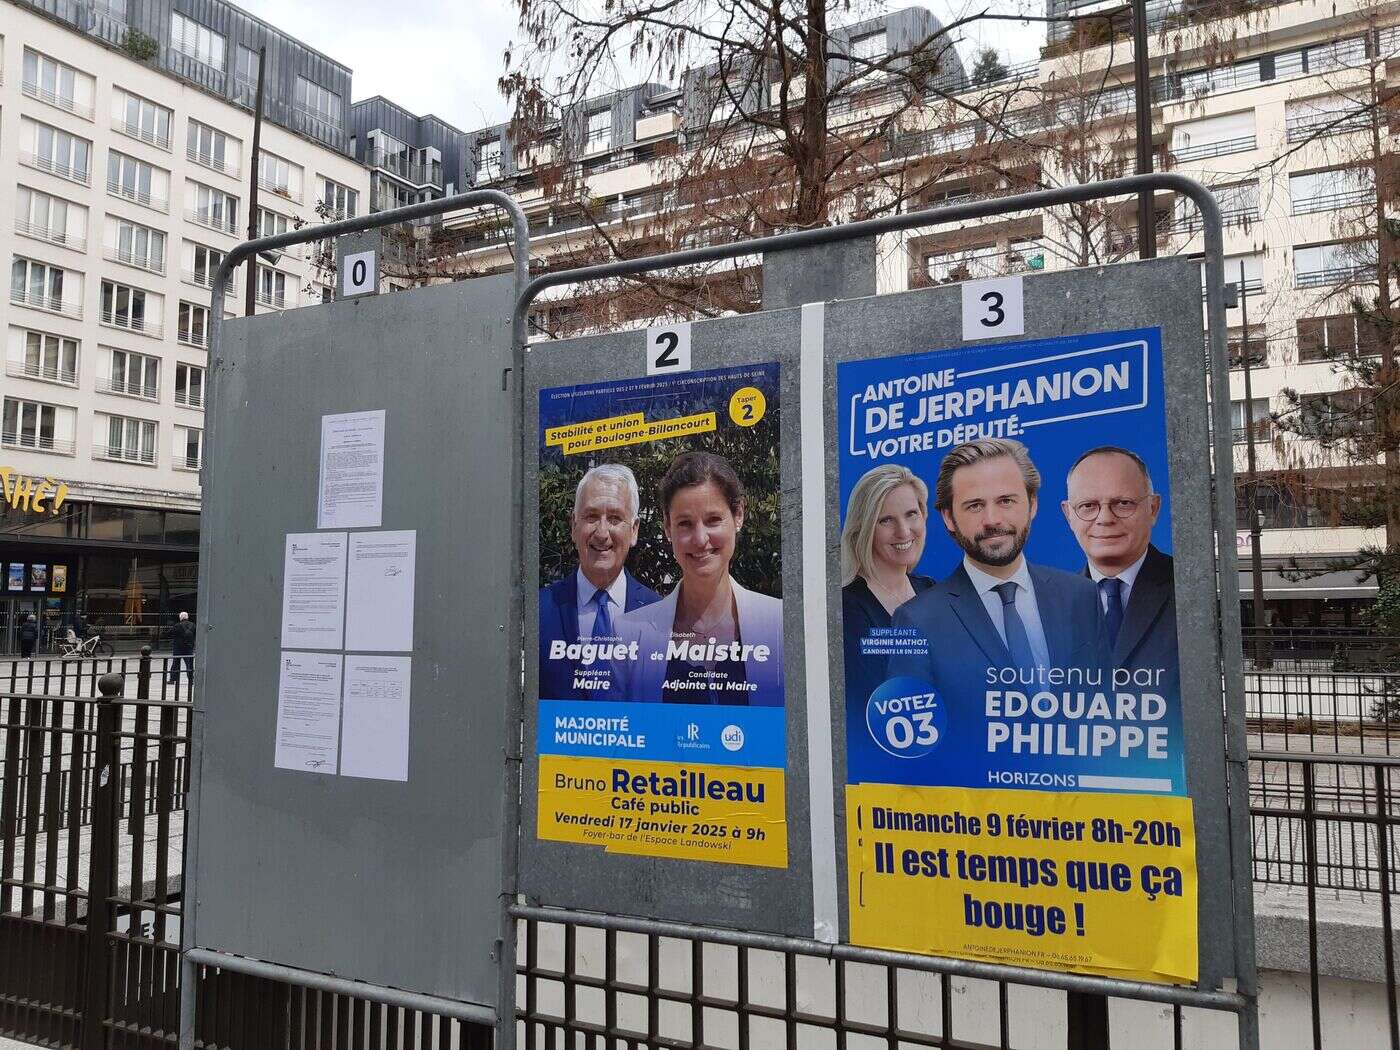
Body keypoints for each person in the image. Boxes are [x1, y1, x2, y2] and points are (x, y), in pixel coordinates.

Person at [889, 438, 1104, 701]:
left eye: (1006, 501)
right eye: (975, 505)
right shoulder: (916, 621)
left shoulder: (1082, 595)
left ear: (1032, 505)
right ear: (948, 517)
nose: (992, 520)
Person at [612, 451, 782, 706]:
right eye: (685, 524)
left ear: (738, 516)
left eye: (713, 520)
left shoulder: (780, 624)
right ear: (668, 528)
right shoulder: (629, 633)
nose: (700, 539)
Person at [539, 464, 661, 700]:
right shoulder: (538, 610)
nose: (602, 532)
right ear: (574, 526)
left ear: (634, 530)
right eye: (591, 517)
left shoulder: (660, 616)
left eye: (615, 519)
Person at [1061, 446, 1176, 676]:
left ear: (1153, 508)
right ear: (1068, 515)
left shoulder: (1189, 587)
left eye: (1123, 503)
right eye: (1088, 506)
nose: (1104, 519)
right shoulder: (1050, 606)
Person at [840, 465, 936, 707]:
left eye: (911, 514)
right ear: (863, 528)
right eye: (886, 520)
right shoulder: (846, 607)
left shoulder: (932, 590)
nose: (903, 531)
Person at [169, 611, 196, 685]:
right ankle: (191, 679)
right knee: (189, 664)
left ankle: (172, 679)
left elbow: (170, 633)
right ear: (187, 617)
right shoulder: (193, 625)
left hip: (178, 648)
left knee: (175, 663)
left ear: (180, 618)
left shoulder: (177, 625)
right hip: (189, 647)